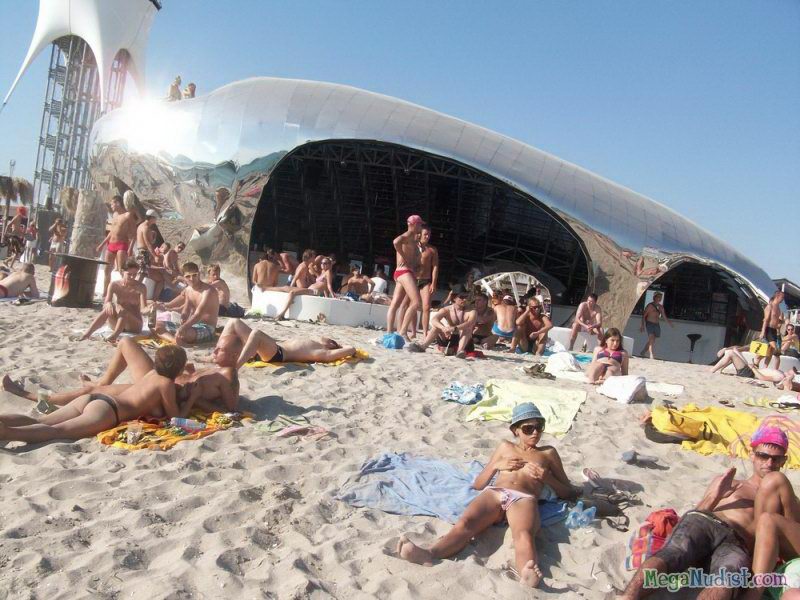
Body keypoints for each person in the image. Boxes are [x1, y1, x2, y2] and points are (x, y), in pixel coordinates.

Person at [396, 402, 576, 588]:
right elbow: (478, 484)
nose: (535, 433)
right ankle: (429, 554)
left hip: (524, 498)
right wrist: (496, 466)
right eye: (528, 428)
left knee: (523, 534)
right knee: (465, 523)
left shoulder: (548, 453)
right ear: (515, 430)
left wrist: (547, 478)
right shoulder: (505, 447)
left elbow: (569, 492)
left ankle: (527, 572)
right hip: (496, 493)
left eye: (539, 427)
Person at [620, 425, 793, 600]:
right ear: (752, 455)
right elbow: (696, 514)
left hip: (738, 544)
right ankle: (627, 598)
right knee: (673, 552)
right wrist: (715, 496)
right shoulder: (732, 483)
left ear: (783, 461)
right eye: (763, 456)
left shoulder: (782, 499)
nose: (769, 463)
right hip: (708, 523)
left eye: (776, 458)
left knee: (726, 580)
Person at [0, 343, 187, 443]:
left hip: (94, 399)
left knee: (40, 421)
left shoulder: (151, 374)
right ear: (179, 370)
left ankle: (4, 422)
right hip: (108, 411)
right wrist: (190, 399)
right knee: (57, 431)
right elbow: (176, 417)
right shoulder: (166, 384)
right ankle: (7, 433)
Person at [221, 318, 357, 368]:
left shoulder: (322, 352)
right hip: (271, 347)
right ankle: (216, 355)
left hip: (277, 354)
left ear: (331, 346)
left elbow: (351, 349)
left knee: (256, 333)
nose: (328, 338)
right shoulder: (314, 341)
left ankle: (235, 368)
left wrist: (341, 346)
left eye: (332, 340)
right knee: (234, 322)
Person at [80, 259, 147, 342]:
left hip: (134, 324)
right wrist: (108, 303)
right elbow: (106, 302)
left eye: (135, 274)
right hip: (117, 321)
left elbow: (143, 309)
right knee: (108, 309)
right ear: (122, 272)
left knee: (123, 310)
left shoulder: (141, 287)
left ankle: (114, 337)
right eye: (129, 274)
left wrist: (151, 308)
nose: (132, 277)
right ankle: (87, 334)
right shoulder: (114, 285)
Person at [155, 262, 219, 345]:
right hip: (191, 324)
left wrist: (183, 327)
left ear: (199, 274)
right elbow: (187, 309)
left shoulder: (208, 291)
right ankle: (175, 341)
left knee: (185, 334)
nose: (191, 279)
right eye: (188, 276)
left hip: (206, 327)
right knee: (157, 325)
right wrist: (183, 318)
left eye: (194, 275)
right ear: (184, 278)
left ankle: (178, 339)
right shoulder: (188, 290)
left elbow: (198, 315)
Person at [386, 215, 425, 341]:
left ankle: (389, 332)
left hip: (402, 272)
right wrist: (403, 255)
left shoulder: (413, 239)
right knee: (416, 302)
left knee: (395, 304)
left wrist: (415, 259)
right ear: (414, 224)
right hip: (404, 272)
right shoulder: (408, 235)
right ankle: (403, 331)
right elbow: (395, 242)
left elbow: (414, 259)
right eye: (420, 224)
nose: (421, 227)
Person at [412, 292, 475, 357]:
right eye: (461, 298)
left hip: (464, 339)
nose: (464, 300)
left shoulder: (471, 311)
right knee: (436, 327)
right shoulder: (446, 309)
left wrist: (454, 328)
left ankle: (460, 351)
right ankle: (423, 346)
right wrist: (443, 328)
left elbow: (470, 323)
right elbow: (434, 320)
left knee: (467, 329)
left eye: (466, 298)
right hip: (449, 336)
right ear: (454, 298)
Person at [97, 195, 137, 296]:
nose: (111, 206)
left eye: (112, 203)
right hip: (111, 244)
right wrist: (102, 244)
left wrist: (131, 248)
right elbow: (112, 232)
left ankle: (127, 291)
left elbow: (134, 233)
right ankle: (105, 292)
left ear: (118, 203)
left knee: (121, 269)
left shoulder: (127, 215)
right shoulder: (114, 215)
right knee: (107, 270)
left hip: (122, 244)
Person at [274, 256, 335, 320]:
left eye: (325, 263)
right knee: (287, 289)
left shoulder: (328, 272)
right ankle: (268, 289)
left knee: (292, 292)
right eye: (322, 263)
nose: (322, 264)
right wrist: (326, 296)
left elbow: (328, 285)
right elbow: (324, 286)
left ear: (329, 265)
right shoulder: (323, 272)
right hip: (310, 289)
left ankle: (282, 314)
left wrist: (332, 296)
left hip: (313, 291)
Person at [417, 226, 439, 337]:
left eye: (429, 235)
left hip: (425, 280)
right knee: (412, 305)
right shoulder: (413, 247)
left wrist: (434, 283)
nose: (427, 236)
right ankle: (412, 331)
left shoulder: (432, 249)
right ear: (420, 234)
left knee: (426, 307)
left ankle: (425, 332)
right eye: (425, 234)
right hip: (413, 278)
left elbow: (435, 266)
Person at [639, 292, 674, 359]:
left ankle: (643, 352)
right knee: (651, 339)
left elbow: (664, 316)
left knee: (652, 340)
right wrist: (642, 325)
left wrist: (669, 323)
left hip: (656, 324)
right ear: (654, 297)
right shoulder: (650, 306)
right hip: (649, 323)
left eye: (660, 297)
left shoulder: (660, 307)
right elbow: (644, 315)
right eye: (658, 297)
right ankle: (651, 354)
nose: (659, 298)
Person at [757, 291, 786, 369]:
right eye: (782, 297)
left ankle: (762, 366)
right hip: (768, 329)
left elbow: (776, 320)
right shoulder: (770, 306)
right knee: (776, 350)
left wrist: (782, 321)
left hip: (774, 330)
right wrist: (763, 332)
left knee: (770, 351)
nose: (783, 299)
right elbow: (766, 320)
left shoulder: (778, 308)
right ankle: (758, 361)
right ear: (777, 296)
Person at [133, 209, 159, 282]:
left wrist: (153, 235)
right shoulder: (146, 228)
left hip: (140, 251)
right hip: (143, 253)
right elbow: (148, 244)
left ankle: (135, 287)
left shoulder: (141, 225)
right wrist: (155, 256)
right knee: (141, 273)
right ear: (152, 218)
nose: (156, 220)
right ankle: (135, 287)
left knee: (141, 272)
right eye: (155, 218)